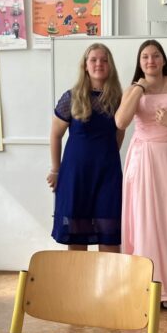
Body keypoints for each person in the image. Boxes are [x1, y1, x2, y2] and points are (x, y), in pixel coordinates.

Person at [116, 39, 167, 308]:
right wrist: (139, 88)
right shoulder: (133, 89)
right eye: (145, 57)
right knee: (143, 218)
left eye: (155, 56)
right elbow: (121, 122)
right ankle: (144, 285)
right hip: (141, 156)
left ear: (163, 59)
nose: (150, 61)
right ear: (140, 62)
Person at [47, 43, 123, 251]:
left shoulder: (118, 99)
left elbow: (120, 132)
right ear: (85, 65)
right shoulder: (71, 97)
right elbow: (55, 135)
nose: (99, 64)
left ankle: (109, 276)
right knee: (77, 238)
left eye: (104, 60)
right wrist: (55, 170)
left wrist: (106, 157)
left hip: (108, 176)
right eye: (94, 60)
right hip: (75, 175)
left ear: (110, 66)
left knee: (109, 236)